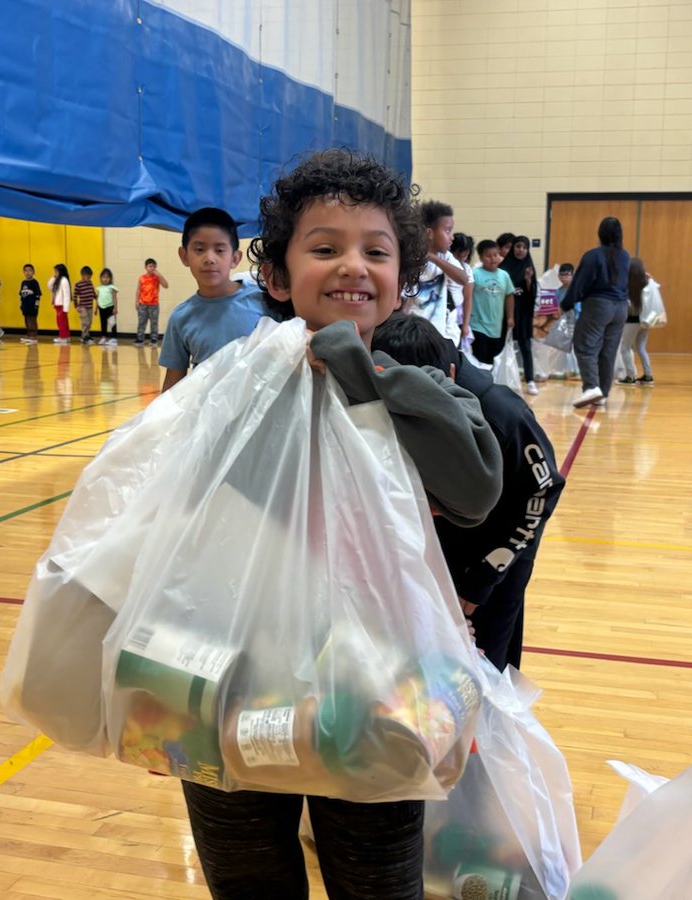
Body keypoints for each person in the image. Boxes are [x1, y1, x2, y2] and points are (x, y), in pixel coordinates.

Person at [180, 147, 501, 900]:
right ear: (278, 277)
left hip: (377, 689)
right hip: (238, 681)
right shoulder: (236, 385)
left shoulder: (416, 387)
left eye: (377, 252)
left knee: (379, 880)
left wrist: (365, 373)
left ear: (403, 281)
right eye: (325, 248)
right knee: (248, 875)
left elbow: (474, 490)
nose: (353, 265)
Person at [372, 312, 564, 670]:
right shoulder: (386, 391)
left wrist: (481, 582)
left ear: (448, 378)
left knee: (488, 663)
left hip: (496, 556)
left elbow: (540, 495)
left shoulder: (503, 414)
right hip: (437, 545)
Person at [158, 207, 269, 391]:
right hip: (208, 414)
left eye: (219, 250)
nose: (209, 258)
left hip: (259, 413)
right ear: (184, 256)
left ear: (235, 258)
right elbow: (173, 384)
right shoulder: (181, 318)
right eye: (199, 249)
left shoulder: (263, 300)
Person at [567, 217, 630, 407]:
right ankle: (602, 392)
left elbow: (580, 283)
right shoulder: (625, 255)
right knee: (608, 351)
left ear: (600, 233)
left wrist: (566, 303)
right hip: (620, 307)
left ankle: (591, 387)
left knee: (585, 345)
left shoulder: (593, 255)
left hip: (599, 305)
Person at [410, 200, 467, 338]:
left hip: (437, 333)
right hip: (414, 332)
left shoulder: (445, 257)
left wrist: (431, 257)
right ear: (429, 233)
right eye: (447, 231)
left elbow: (463, 279)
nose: (452, 237)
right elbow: (405, 301)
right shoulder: (410, 258)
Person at [500, 235, 539, 394]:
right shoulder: (504, 266)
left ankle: (530, 380)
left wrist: (528, 280)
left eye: (524, 247)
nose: (521, 250)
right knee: (501, 345)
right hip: (505, 311)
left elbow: (533, 293)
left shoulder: (529, 266)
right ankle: (500, 376)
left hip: (523, 312)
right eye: (518, 246)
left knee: (525, 347)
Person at [469, 239, 515, 364]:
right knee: (480, 359)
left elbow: (509, 295)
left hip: (496, 327)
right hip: (477, 325)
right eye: (488, 256)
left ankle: (490, 382)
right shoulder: (475, 274)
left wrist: (510, 317)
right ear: (481, 257)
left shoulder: (504, 275)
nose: (493, 259)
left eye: (495, 255)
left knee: (493, 360)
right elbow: (467, 296)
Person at [616, 257, 653, 386]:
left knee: (625, 348)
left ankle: (630, 376)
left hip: (631, 320)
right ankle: (648, 376)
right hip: (645, 320)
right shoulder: (648, 282)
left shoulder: (625, 283)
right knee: (641, 347)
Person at [447, 233, 474, 347]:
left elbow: (468, 298)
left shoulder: (466, 269)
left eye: (466, 255)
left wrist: (465, 324)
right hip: (443, 309)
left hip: (458, 313)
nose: (463, 258)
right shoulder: (444, 263)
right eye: (459, 255)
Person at [136, 258, 168, 346]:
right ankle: (140, 339)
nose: (152, 268)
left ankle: (154, 339)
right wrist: (136, 302)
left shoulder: (157, 278)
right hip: (143, 303)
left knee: (154, 322)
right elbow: (138, 290)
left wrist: (159, 275)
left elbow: (166, 285)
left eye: (153, 266)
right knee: (141, 321)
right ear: (146, 267)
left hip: (154, 304)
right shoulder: (142, 278)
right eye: (150, 266)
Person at [48, 263, 71, 344]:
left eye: (56, 272)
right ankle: (66, 337)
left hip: (62, 305)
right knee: (61, 321)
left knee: (62, 322)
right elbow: (49, 286)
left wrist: (66, 308)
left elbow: (67, 295)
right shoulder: (57, 280)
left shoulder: (64, 280)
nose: (55, 273)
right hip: (57, 304)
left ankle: (63, 337)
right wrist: (53, 277)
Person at [19, 264, 42, 344]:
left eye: (30, 270)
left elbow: (38, 295)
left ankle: (33, 336)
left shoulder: (34, 282)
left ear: (33, 272)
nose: (28, 272)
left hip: (32, 306)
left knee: (32, 320)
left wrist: (36, 304)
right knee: (27, 321)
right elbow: (21, 295)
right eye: (26, 271)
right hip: (25, 306)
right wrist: (21, 304)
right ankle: (29, 335)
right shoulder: (23, 282)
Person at [74, 266, 97, 344]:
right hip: (83, 307)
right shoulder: (78, 284)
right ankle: (84, 337)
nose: (89, 278)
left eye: (90, 277)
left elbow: (92, 292)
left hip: (90, 306)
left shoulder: (90, 283)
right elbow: (75, 296)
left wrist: (96, 298)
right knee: (85, 322)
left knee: (90, 322)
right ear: (82, 275)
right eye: (88, 276)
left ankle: (87, 335)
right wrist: (76, 306)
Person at [95, 267, 118, 346]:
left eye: (107, 277)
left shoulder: (112, 287)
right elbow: (97, 298)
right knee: (103, 323)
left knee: (112, 323)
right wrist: (96, 308)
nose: (105, 279)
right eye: (104, 277)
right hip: (102, 308)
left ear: (110, 278)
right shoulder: (99, 288)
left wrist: (115, 308)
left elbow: (115, 298)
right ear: (101, 278)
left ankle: (114, 338)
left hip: (110, 307)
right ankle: (104, 337)